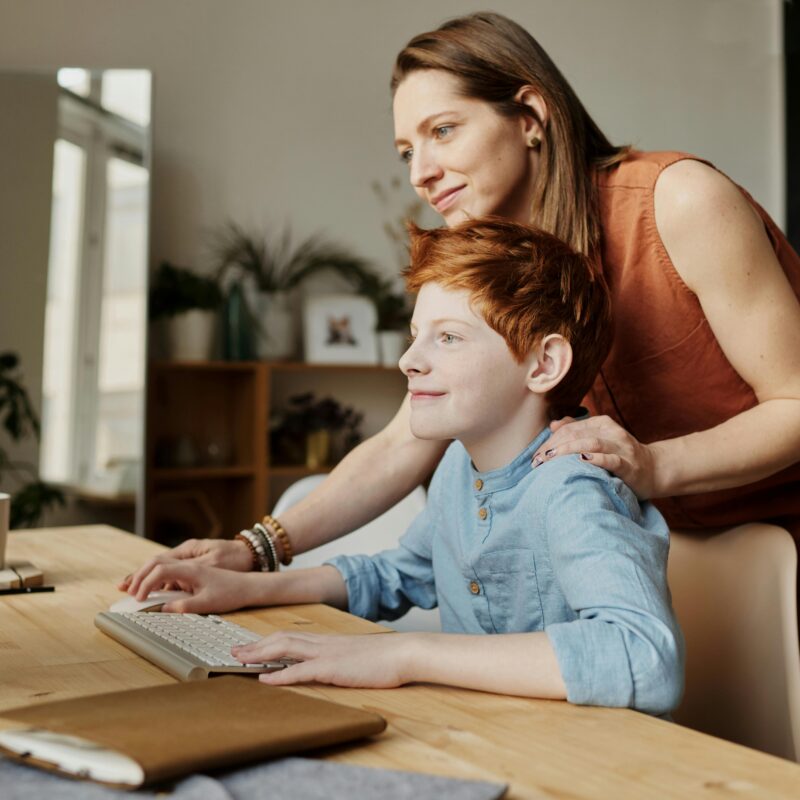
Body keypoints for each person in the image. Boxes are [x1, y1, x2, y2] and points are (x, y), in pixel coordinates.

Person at [122, 11, 800, 593]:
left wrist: (653, 466)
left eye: (442, 131)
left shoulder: (680, 200)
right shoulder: (487, 256)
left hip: (786, 544)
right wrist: (254, 550)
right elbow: (404, 441)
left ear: (531, 117)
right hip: (660, 556)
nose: (421, 171)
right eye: (406, 151)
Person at [131, 219, 685, 715]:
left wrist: (406, 653)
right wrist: (245, 587)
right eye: (415, 334)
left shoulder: (573, 488)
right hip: (484, 733)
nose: (409, 359)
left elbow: (644, 656)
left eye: (447, 337)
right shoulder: (456, 469)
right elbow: (401, 574)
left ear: (543, 364)